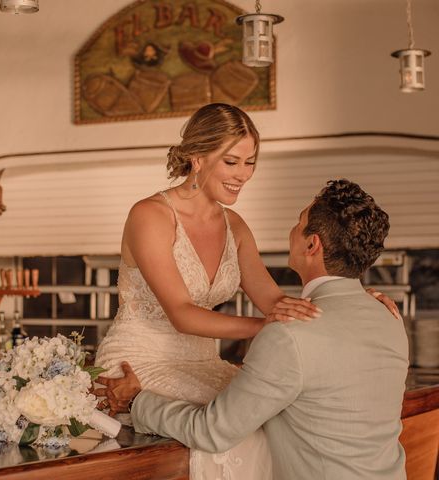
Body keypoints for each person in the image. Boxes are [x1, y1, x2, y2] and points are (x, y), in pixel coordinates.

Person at [93, 104, 400, 480]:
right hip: (140, 358)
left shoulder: (235, 226)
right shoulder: (150, 215)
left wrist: (350, 303)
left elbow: (276, 302)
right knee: (235, 431)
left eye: (250, 162)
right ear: (197, 158)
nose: (243, 175)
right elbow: (181, 313)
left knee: (268, 416)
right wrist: (271, 327)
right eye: (232, 162)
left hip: (205, 365)